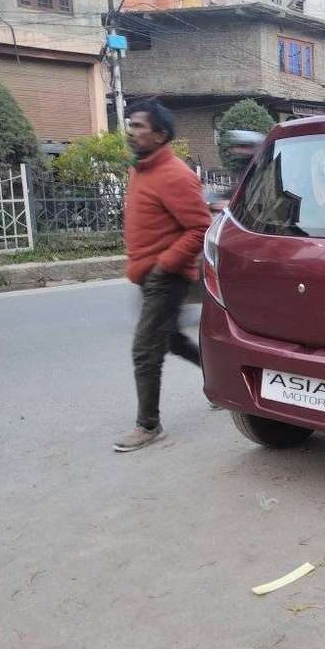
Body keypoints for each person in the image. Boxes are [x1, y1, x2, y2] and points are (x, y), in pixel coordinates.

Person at [114, 100, 212, 453]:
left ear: (161, 134)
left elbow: (201, 227)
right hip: (148, 275)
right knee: (171, 339)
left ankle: (148, 425)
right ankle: (219, 380)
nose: (133, 131)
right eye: (132, 124)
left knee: (145, 350)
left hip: (165, 277)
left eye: (140, 126)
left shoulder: (175, 174)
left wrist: (165, 264)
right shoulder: (140, 170)